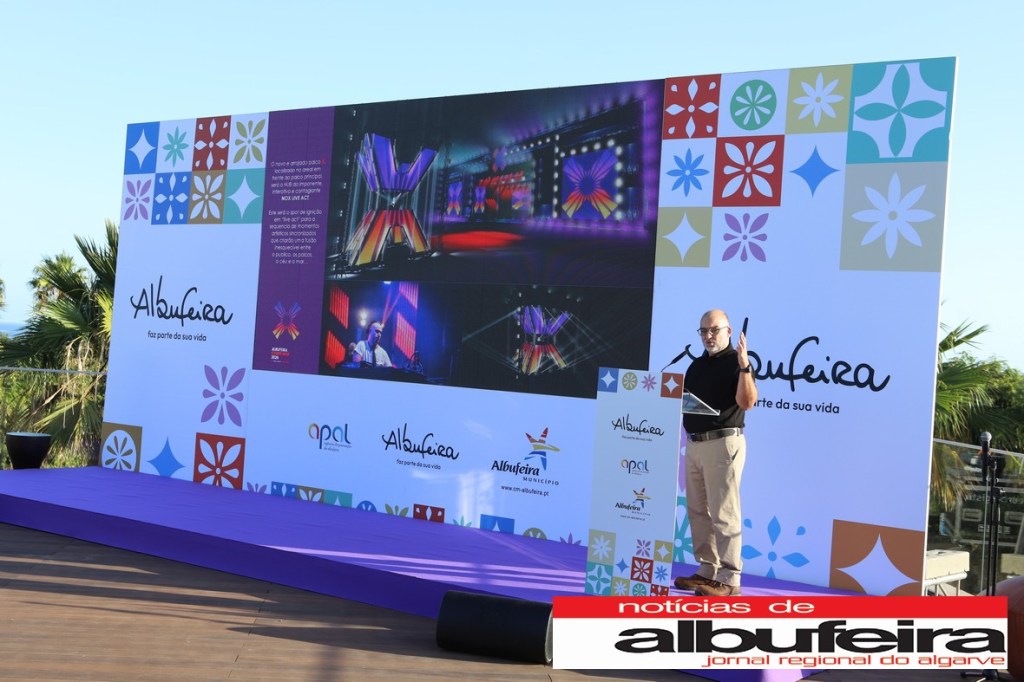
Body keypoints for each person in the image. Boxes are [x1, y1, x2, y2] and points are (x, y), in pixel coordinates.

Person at [674, 309, 757, 597]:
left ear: (729, 331)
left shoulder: (738, 363)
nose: (708, 336)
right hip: (694, 444)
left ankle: (730, 579)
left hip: (722, 444)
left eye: (714, 330)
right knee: (698, 511)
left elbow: (747, 402)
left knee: (724, 512)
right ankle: (708, 570)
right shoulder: (696, 366)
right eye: (703, 331)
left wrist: (745, 366)